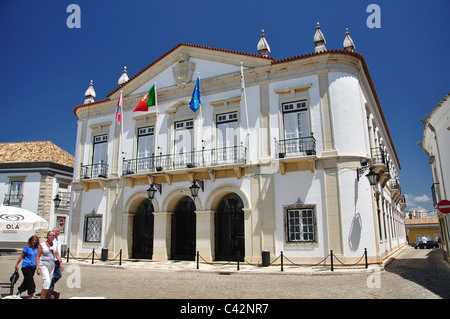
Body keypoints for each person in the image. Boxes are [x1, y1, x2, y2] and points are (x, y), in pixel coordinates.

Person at [36, 230, 64, 299]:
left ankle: (45, 296)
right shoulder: (42, 245)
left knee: (49, 281)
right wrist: (38, 267)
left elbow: (57, 254)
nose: (54, 237)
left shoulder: (54, 245)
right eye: (52, 236)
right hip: (44, 265)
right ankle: (42, 297)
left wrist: (61, 263)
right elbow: (37, 256)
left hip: (51, 265)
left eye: (54, 236)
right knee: (47, 280)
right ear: (48, 236)